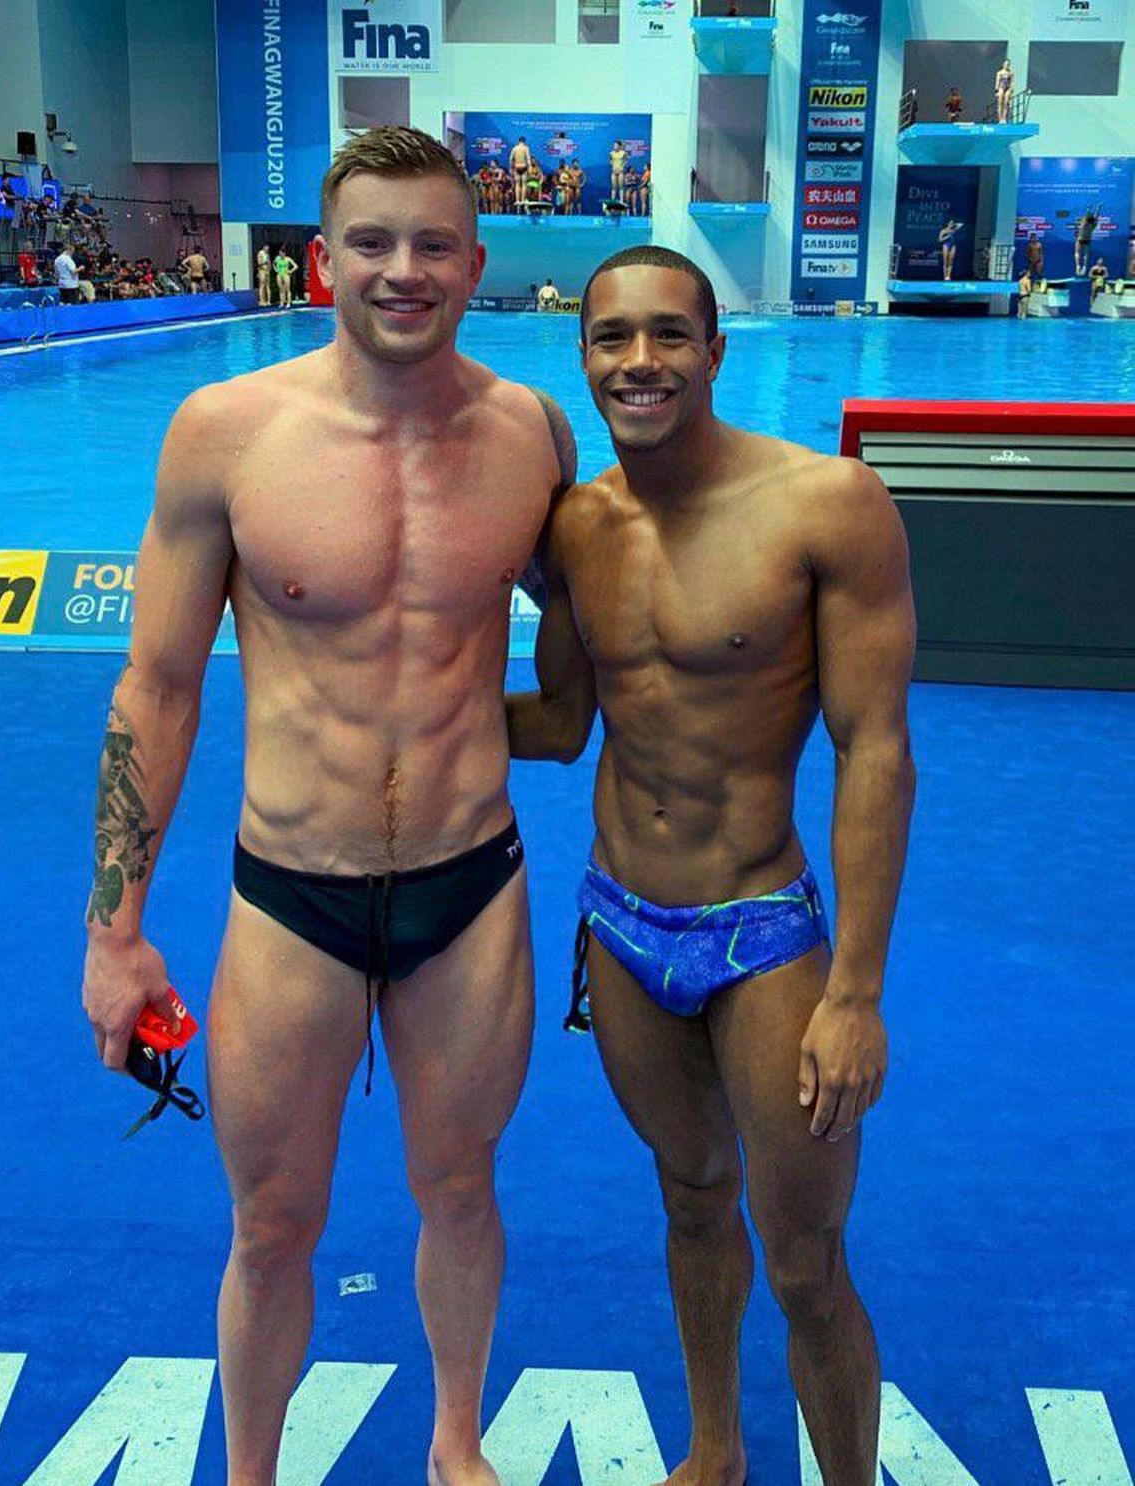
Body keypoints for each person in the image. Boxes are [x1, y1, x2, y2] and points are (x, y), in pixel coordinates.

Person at [80, 124, 575, 1486]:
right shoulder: (228, 433)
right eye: (372, 242)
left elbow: (601, 621)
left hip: (470, 887)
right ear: (322, 260)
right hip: (292, 893)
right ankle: (251, 1470)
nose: (403, 270)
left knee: (461, 1187)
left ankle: (457, 1442)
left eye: (433, 245)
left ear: (476, 263)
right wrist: (115, 932)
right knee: (271, 1225)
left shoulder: (532, 435)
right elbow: (158, 687)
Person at [506, 244, 915, 1486]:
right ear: (582, 357)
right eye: (613, 338)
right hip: (621, 922)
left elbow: (875, 749)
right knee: (690, 1197)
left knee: (806, 1262)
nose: (641, 361)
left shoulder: (826, 506)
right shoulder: (576, 528)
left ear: (715, 351)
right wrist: (383, 709)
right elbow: (560, 723)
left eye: (670, 334)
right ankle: (716, 1452)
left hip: (763, 933)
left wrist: (856, 992)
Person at [1074, 208, 1098, 276]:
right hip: (1087, 240)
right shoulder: (1093, 225)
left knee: (1077, 252)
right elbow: (1095, 218)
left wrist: (1088, 210)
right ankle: (1084, 267)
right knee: (1086, 254)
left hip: (1080, 239)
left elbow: (1087, 216)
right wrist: (1097, 210)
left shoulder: (1084, 223)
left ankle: (1078, 265)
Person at [509, 136, 532, 208]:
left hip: (517, 167)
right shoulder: (526, 148)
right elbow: (528, 158)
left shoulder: (514, 148)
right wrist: (530, 167)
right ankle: (522, 200)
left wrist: (510, 168)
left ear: (518, 141)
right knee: (524, 184)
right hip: (523, 167)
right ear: (524, 141)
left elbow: (510, 159)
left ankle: (517, 200)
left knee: (517, 184)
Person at [994, 58, 1014, 123]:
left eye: (1008, 64)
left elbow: (1012, 82)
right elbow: (997, 81)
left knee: (1006, 103)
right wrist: (996, 91)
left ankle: (1004, 118)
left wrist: (1011, 91)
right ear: (1003, 65)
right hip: (1001, 87)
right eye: (1006, 64)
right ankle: (1000, 119)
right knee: (1000, 103)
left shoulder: (1011, 73)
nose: (1007, 66)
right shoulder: (1000, 72)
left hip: (1008, 88)